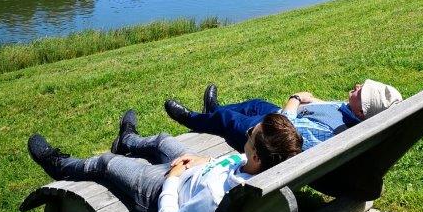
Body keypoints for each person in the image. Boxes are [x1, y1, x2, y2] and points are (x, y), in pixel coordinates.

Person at [27, 110, 302, 212]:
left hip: (161, 191)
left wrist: (171, 178)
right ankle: (128, 139)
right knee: (162, 140)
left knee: (108, 163)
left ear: (257, 156)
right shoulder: (262, 169)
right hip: (196, 171)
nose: (247, 133)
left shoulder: (215, 199)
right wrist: (206, 159)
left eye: (249, 136)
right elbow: (239, 161)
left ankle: (59, 165)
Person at [165, 80, 402, 152]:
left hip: (272, 134)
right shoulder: (353, 115)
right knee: (255, 104)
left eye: (362, 92)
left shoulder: (336, 132)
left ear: (362, 111)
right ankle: (214, 109)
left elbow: (287, 126)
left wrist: (295, 99)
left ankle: (194, 119)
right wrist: (316, 101)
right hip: (285, 119)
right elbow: (332, 109)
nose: (359, 86)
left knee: (229, 120)